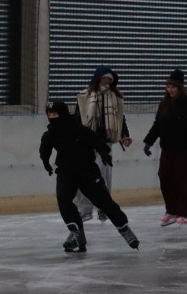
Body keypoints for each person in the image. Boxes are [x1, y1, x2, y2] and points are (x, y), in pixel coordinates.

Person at [39, 101, 139, 253]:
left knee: (104, 202)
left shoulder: (78, 129)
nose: (53, 118)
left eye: (56, 114)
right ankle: (76, 232)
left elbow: (95, 140)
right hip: (66, 172)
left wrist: (105, 153)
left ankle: (124, 228)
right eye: (50, 115)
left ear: (64, 113)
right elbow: (44, 149)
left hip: (87, 171)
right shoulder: (50, 134)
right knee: (63, 200)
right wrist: (46, 162)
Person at [142, 69, 187, 226]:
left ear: (180, 87)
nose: (170, 90)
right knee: (165, 177)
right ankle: (171, 210)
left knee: (183, 180)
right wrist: (148, 142)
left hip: (183, 149)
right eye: (168, 87)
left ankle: (184, 213)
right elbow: (157, 125)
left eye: (173, 87)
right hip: (167, 148)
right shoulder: (164, 104)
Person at [74, 66, 132, 222]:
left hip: (105, 143)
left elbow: (120, 119)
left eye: (109, 79)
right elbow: (78, 117)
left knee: (104, 177)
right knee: (87, 177)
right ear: (98, 78)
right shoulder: (85, 96)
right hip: (88, 143)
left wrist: (124, 136)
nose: (107, 81)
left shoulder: (115, 97)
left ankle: (103, 208)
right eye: (104, 78)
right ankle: (85, 208)